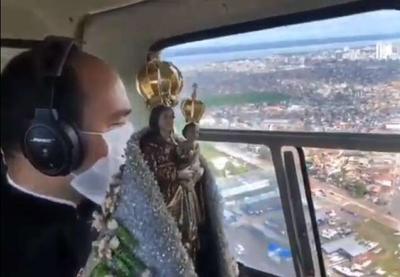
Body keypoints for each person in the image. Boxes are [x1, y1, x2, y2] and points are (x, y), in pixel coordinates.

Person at [0, 37, 133, 277]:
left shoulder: (96, 207)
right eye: (116, 125)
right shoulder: (24, 260)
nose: (130, 140)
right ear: (50, 142)